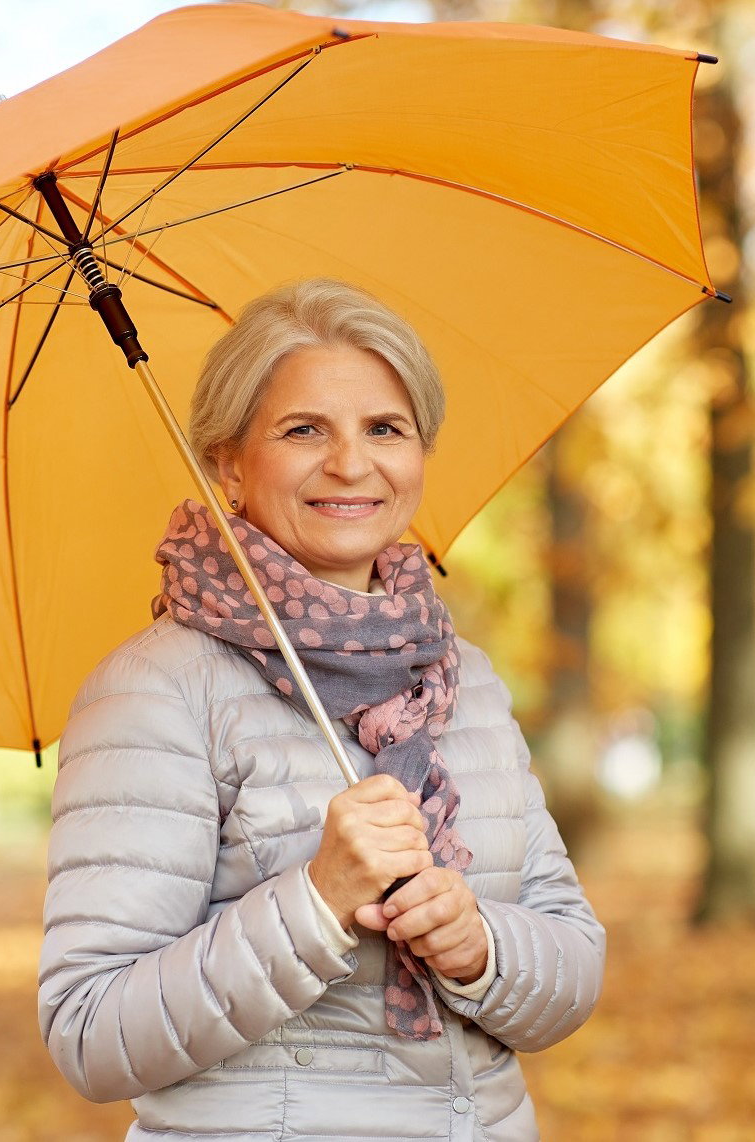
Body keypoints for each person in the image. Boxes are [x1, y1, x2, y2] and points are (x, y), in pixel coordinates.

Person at [36, 277, 604, 1140]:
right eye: (303, 429)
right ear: (228, 463)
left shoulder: (462, 677)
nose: (349, 463)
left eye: (384, 428)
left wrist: (481, 947)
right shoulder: (157, 691)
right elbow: (91, 1035)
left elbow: (574, 961)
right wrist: (316, 899)